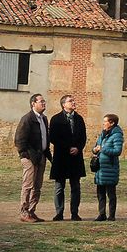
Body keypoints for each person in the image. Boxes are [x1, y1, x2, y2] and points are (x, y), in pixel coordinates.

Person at [13, 93, 52, 222]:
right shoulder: (27, 119)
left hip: (41, 156)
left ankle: (32, 211)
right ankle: (24, 212)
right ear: (33, 104)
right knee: (28, 185)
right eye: (41, 101)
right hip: (30, 157)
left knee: (37, 186)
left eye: (44, 101)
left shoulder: (44, 119)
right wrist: (25, 155)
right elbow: (19, 139)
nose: (44, 103)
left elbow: (45, 138)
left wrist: (48, 155)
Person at [48, 94, 87, 221]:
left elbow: (83, 137)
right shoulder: (56, 119)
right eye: (71, 101)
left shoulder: (79, 119)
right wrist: (68, 147)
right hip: (61, 157)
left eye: (74, 100)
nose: (74, 102)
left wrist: (78, 148)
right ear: (63, 104)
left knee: (75, 186)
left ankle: (74, 213)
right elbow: (53, 137)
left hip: (76, 158)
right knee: (59, 186)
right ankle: (59, 212)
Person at [92, 113, 124, 221]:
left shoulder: (117, 135)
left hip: (110, 168)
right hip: (100, 169)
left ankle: (111, 215)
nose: (103, 123)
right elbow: (96, 146)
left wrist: (102, 149)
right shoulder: (103, 134)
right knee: (100, 193)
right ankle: (101, 214)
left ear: (112, 123)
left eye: (105, 121)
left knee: (111, 193)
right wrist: (95, 149)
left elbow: (117, 151)